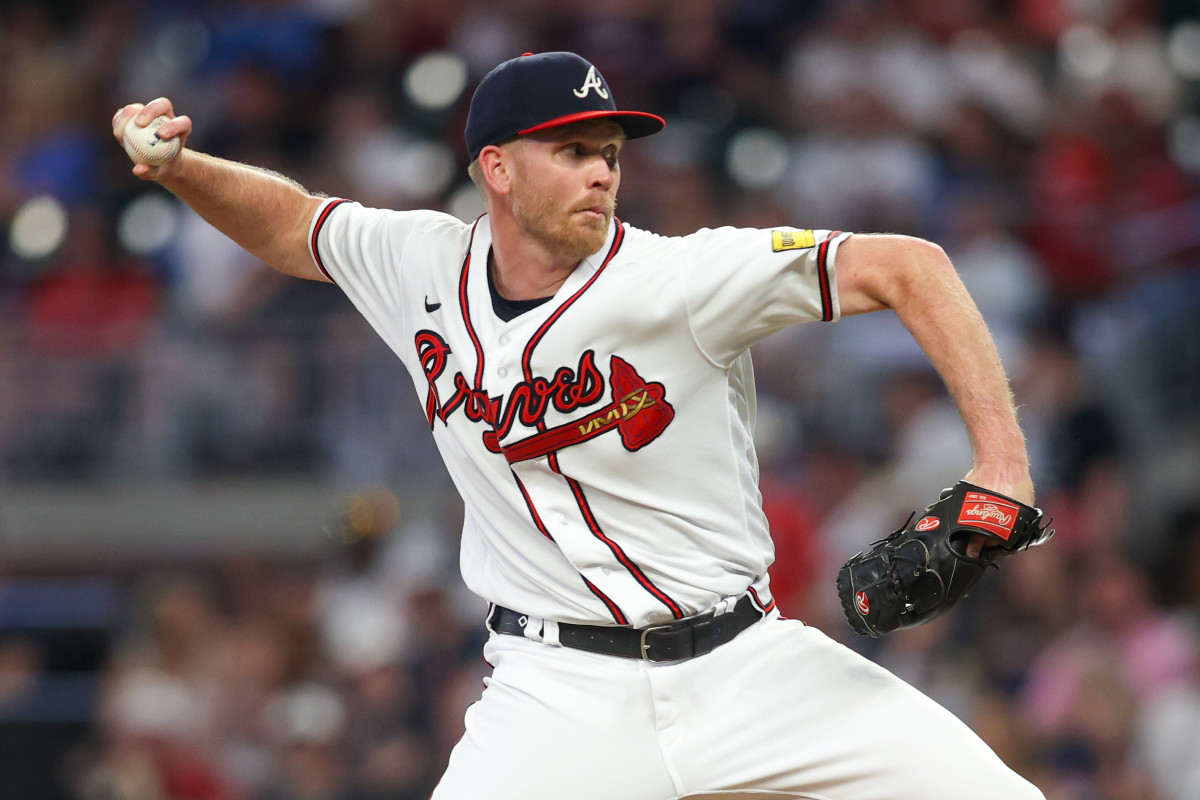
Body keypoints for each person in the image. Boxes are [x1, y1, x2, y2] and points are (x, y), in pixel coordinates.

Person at [113, 51, 1045, 800]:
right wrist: (181, 168)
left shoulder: (680, 279)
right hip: (557, 693)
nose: (602, 172)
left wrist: (1002, 463)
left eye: (610, 152)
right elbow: (294, 226)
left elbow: (911, 266)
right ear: (497, 167)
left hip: (748, 665)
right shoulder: (419, 263)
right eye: (572, 150)